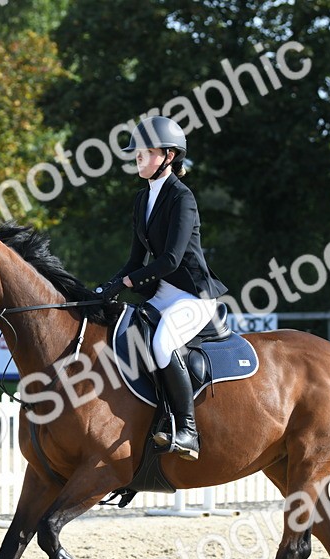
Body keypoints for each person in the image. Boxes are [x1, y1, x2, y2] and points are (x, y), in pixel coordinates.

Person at [94, 116, 229, 462]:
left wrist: (128, 282)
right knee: (126, 338)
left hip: (193, 296)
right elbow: (135, 260)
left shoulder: (182, 198)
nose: (138, 157)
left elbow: (170, 259)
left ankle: (187, 430)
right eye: (137, 152)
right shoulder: (142, 199)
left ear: (168, 156)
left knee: (161, 343)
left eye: (145, 152)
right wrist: (107, 287)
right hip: (163, 293)